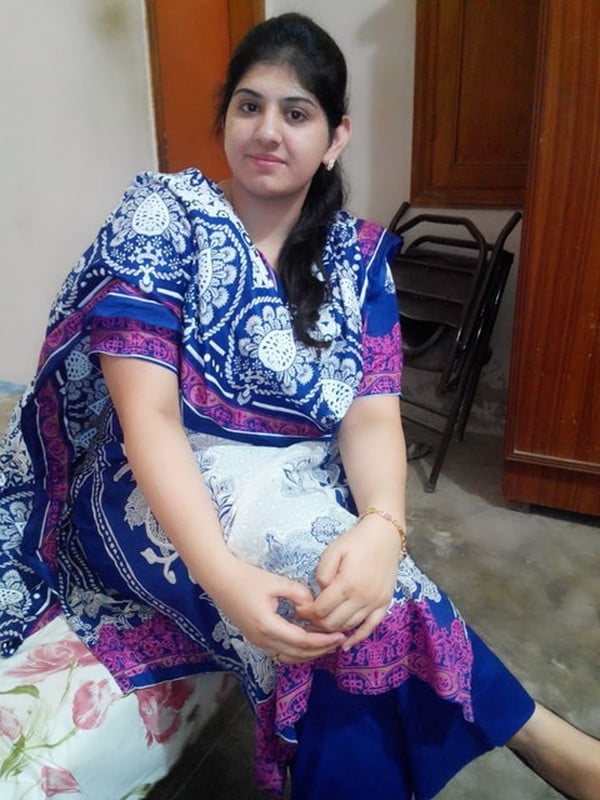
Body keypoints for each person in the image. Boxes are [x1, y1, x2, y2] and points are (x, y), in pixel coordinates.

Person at [0, 11, 598, 800]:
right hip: (148, 486)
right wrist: (224, 577)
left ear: (335, 137)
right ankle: (544, 738)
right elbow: (149, 420)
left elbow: (372, 415)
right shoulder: (163, 219)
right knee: (324, 596)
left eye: (297, 112)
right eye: (249, 106)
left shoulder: (358, 259)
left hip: (295, 482)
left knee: (361, 597)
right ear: (224, 118)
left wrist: (384, 526)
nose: (268, 131)